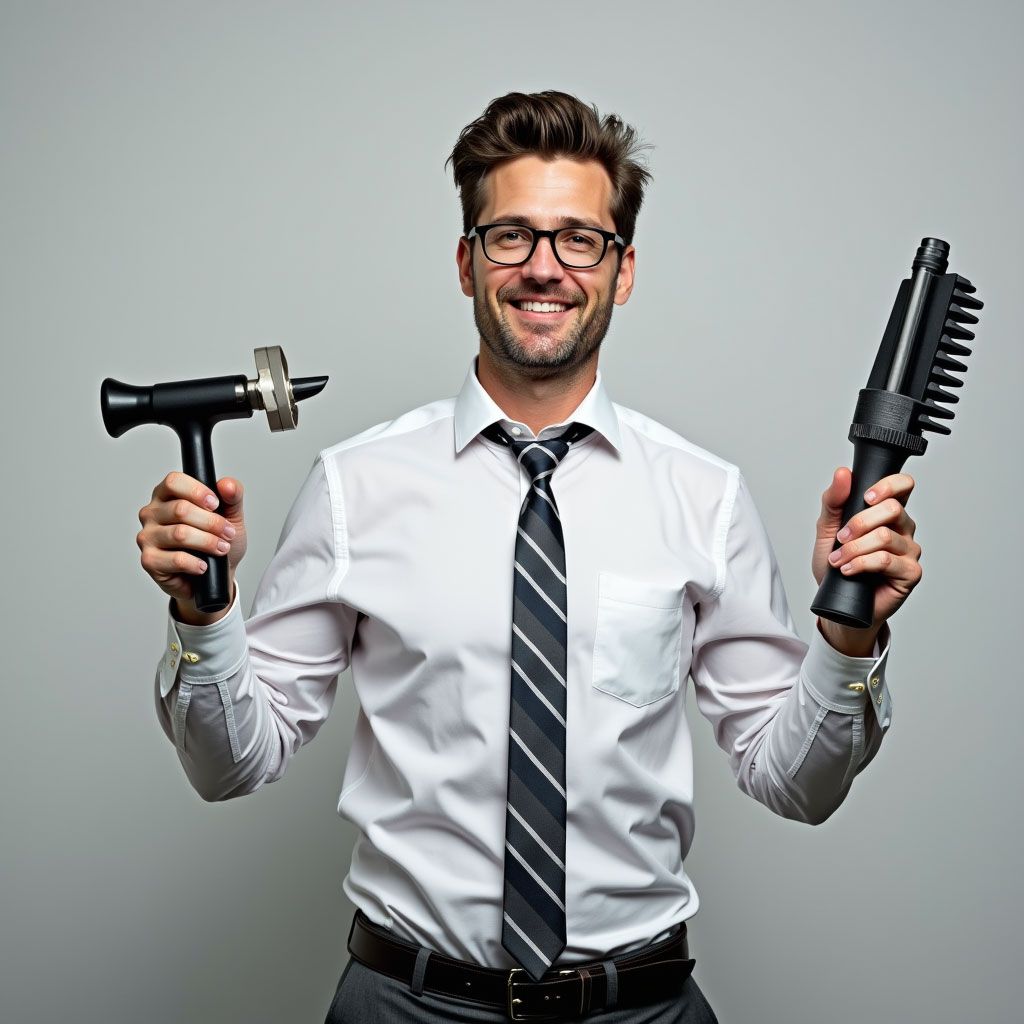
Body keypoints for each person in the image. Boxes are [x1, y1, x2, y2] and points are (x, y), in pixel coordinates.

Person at [136, 91, 922, 1023]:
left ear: (622, 271)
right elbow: (232, 763)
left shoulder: (704, 497)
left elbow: (798, 784)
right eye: (510, 236)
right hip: (406, 1007)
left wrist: (848, 641)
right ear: (467, 262)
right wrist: (201, 620)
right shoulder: (357, 486)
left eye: (579, 240)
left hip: (643, 1009)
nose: (543, 268)